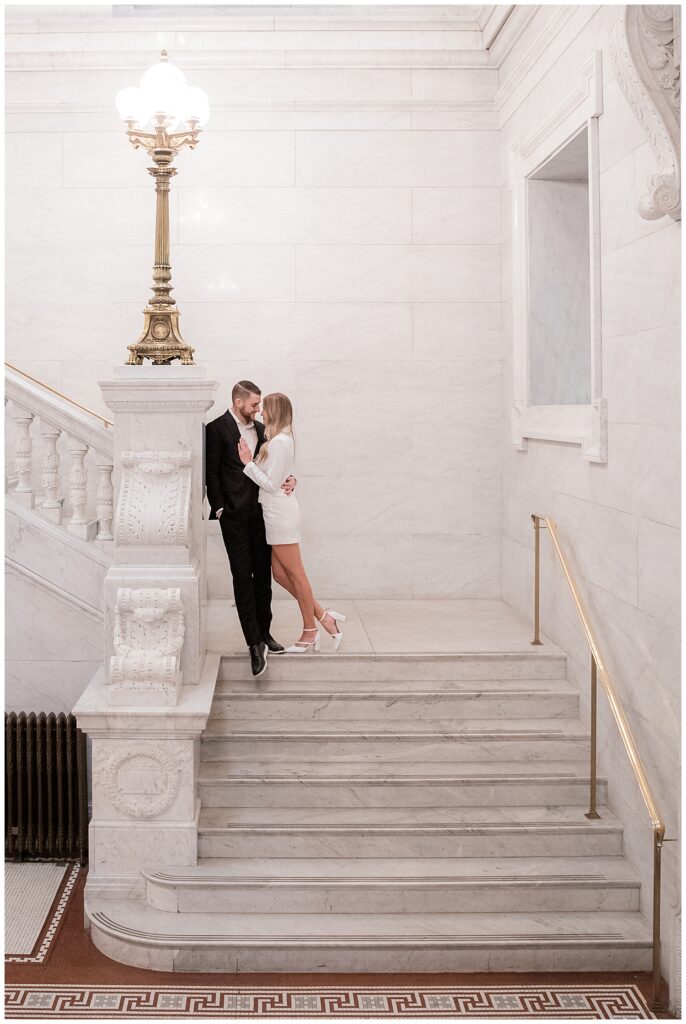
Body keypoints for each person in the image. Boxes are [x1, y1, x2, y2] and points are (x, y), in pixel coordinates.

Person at [238, 391, 346, 653]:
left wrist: (247, 464)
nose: (262, 412)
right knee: (280, 575)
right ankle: (323, 616)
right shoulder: (278, 440)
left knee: (296, 574)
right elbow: (281, 476)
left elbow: (272, 485)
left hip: (281, 515)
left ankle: (310, 631)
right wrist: (290, 477)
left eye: (266, 409)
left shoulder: (279, 442)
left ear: (275, 411)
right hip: (274, 513)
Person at [205, 380, 294, 677]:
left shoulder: (260, 430)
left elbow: (272, 466)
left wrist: (291, 479)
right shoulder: (216, 429)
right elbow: (212, 473)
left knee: (262, 576)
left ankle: (265, 633)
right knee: (242, 577)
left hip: (261, 512)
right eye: (254, 405)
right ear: (239, 401)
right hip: (232, 516)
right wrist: (219, 508)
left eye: (259, 406)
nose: (259, 410)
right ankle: (253, 644)